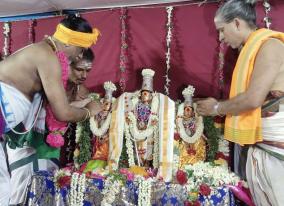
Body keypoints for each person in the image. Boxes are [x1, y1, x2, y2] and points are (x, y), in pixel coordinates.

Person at [0, 15, 100, 205]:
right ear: (69, 42)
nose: (79, 56)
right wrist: (89, 110)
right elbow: (62, 112)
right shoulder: (48, 57)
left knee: (3, 192)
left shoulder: (42, 50)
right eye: (80, 50)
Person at [196, 0, 284, 205]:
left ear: (236, 23)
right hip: (262, 146)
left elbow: (254, 98)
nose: (220, 37)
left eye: (221, 30)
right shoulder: (250, 50)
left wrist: (216, 108)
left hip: (276, 146)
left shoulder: (269, 45)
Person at [108, 68, 175, 182]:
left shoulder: (155, 104)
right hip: (136, 131)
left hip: (149, 134)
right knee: (136, 152)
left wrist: (155, 121)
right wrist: (130, 120)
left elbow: (159, 116)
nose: (145, 96)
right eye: (143, 93)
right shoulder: (136, 103)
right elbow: (130, 113)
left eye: (147, 94)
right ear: (140, 94)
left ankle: (149, 169)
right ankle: (136, 169)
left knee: (149, 152)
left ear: (151, 95)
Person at [174, 85, 206, 169]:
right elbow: (178, 129)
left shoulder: (195, 119)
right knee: (179, 143)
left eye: (190, 109)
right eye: (186, 109)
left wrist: (201, 134)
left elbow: (198, 129)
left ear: (193, 111)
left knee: (200, 141)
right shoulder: (180, 119)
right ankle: (182, 165)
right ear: (183, 110)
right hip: (183, 139)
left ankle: (196, 165)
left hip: (194, 139)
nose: (188, 112)